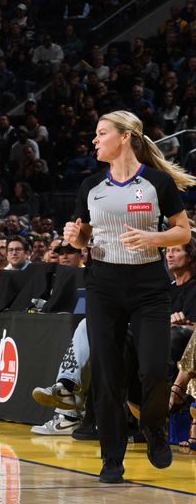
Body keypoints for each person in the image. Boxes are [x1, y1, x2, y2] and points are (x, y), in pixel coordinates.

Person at [65, 110, 195, 484]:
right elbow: (83, 239)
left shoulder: (156, 182)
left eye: (101, 132)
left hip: (149, 286)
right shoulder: (90, 185)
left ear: (125, 137)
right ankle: (111, 459)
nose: (94, 140)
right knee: (107, 376)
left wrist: (153, 238)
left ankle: (154, 426)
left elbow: (182, 233)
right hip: (104, 285)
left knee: (154, 368)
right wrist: (75, 239)